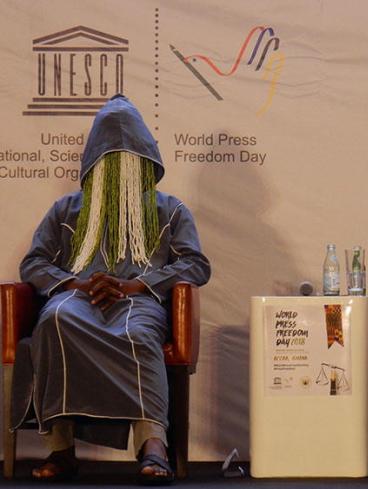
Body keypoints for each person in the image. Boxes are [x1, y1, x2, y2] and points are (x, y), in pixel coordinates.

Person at [13, 94, 211, 484]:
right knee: (53, 319)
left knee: (137, 333)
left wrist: (137, 282)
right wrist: (78, 283)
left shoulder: (168, 209)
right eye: (109, 157)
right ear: (93, 162)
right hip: (76, 300)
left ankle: (153, 443)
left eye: (127, 157)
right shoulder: (67, 209)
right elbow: (34, 263)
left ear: (144, 159)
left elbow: (195, 264)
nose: (118, 165)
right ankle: (61, 449)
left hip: (137, 302)